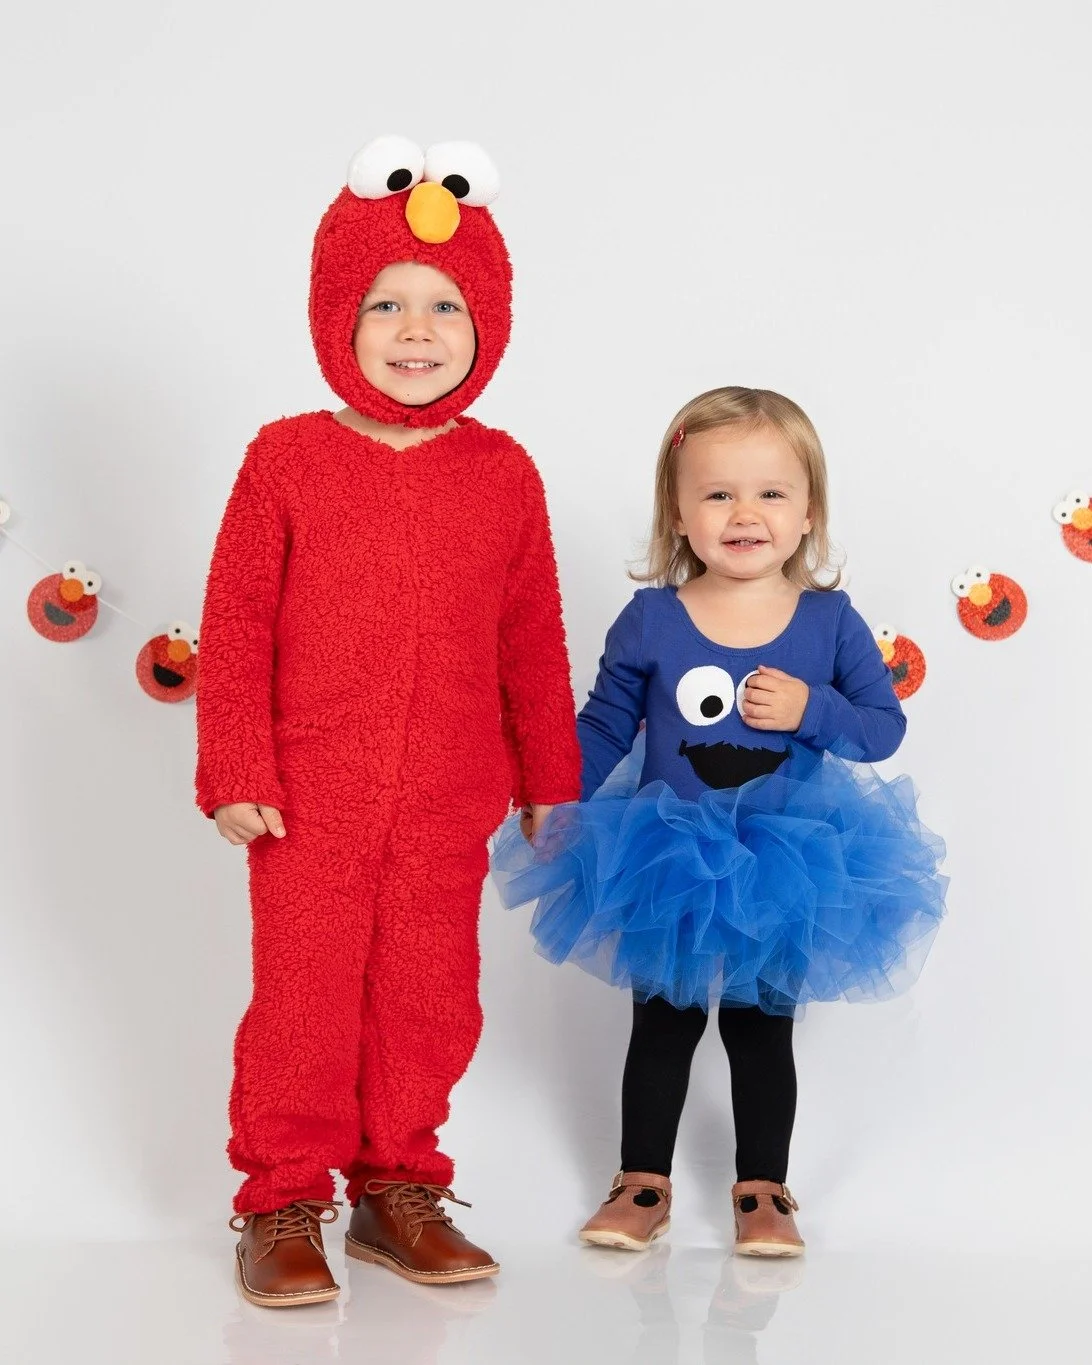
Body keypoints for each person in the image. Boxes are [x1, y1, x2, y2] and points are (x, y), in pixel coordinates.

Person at [196, 135, 581, 1306]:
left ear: (489, 322)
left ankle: (395, 1188)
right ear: (336, 317)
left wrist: (549, 778)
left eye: (446, 306)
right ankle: (281, 1201)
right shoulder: (287, 459)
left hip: (449, 796)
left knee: (428, 995)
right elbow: (238, 620)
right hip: (307, 797)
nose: (417, 331)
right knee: (305, 997)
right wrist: (234, 767)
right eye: (385, 304)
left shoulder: (504, 473)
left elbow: (531, 635)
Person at [493, 386, 946, 1258]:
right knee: (662, 1022)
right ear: (678, 512)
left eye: (771, 492)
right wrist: (559, 794)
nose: (745, 513)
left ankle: (763, 1189)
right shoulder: (653, 617)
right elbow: (603, 723)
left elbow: (881, 729)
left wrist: (813, 706)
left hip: (787, 864)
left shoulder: (829, 619)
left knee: (759, 1026)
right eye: (717, 493)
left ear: (810, 509)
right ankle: (641, 1182)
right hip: (665, 857)